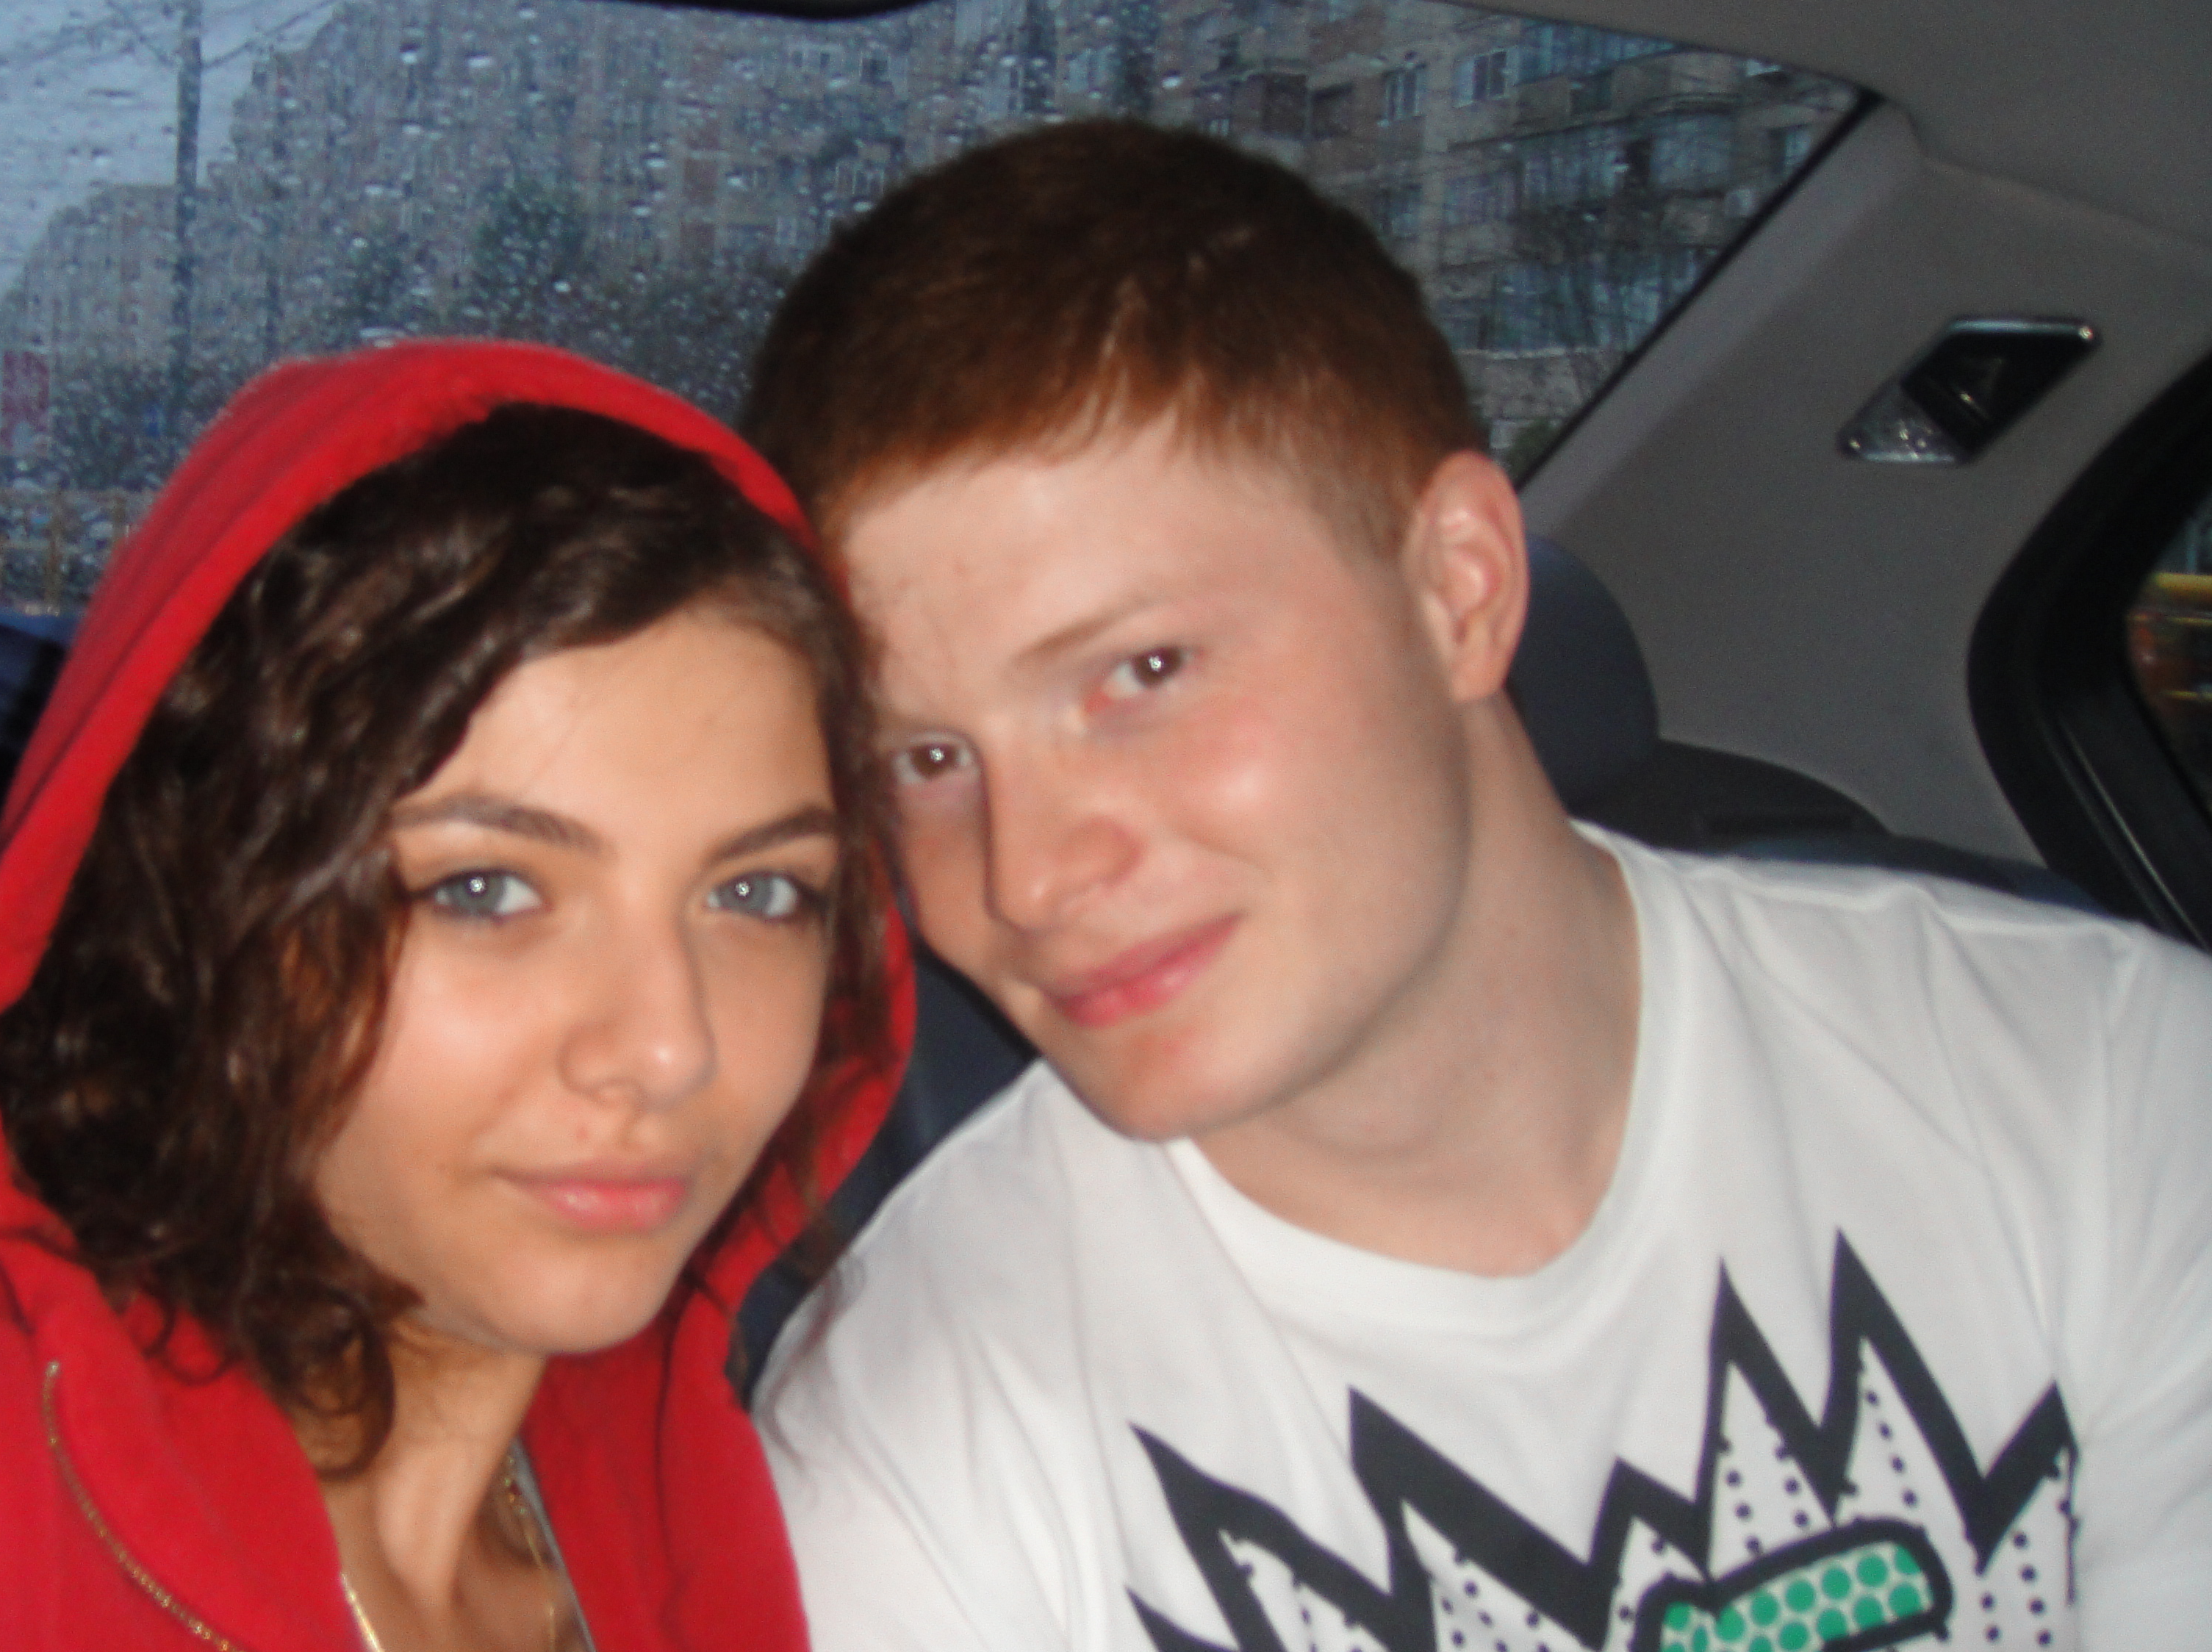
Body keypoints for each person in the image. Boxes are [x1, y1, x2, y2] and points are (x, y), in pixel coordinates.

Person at [741, 120, 2212, 1651]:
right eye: (924, 759)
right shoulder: (905, 1442)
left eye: (1144, 671)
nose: (1029, 875)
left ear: (1458, 586)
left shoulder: (2106, 1093)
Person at [0, 340, 910, 1652]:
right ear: (211, 906)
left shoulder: (682, 1510)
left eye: (759, 895)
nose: (671, 1048)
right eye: (485, 891)